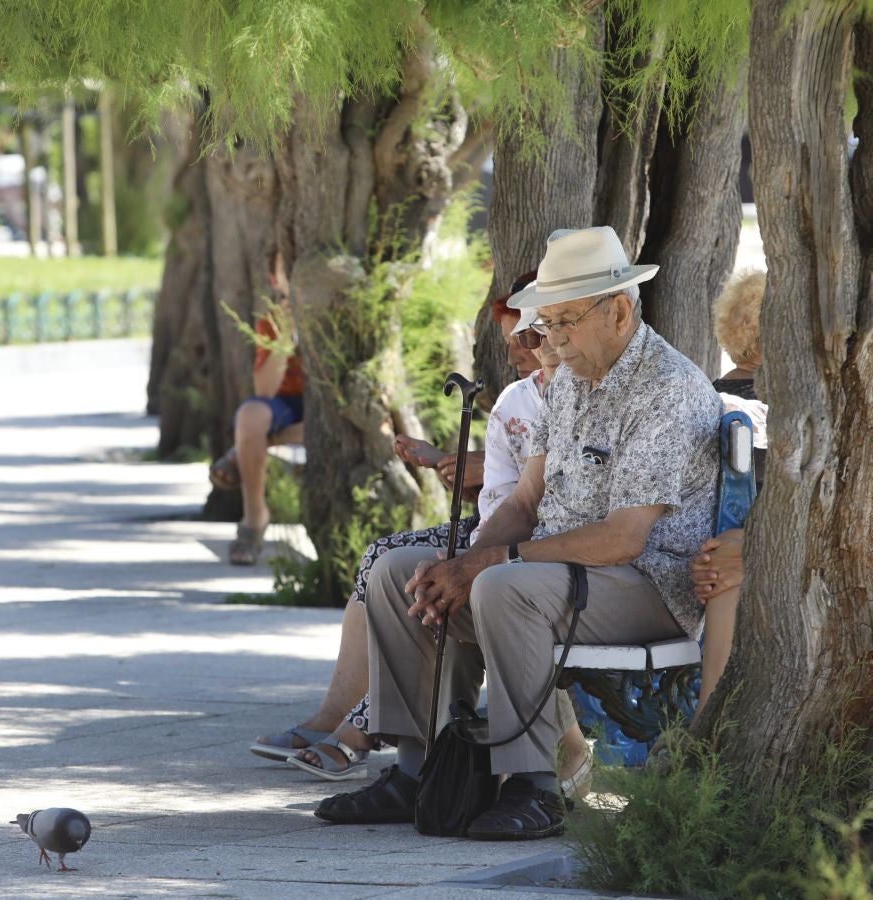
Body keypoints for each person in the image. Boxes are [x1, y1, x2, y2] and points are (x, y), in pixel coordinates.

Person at [319, 226, 722, 839]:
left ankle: (537, 787)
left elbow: (623, 539)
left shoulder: (668, 388)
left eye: (564, 322)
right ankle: (418, 770)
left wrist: (490, 564)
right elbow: (527, 499)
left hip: (646, 583)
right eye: (546, 325)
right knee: (400, 572)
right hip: (558, 572)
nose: (550, 341)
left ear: (617, 309)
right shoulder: (567, 382)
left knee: (501, 588)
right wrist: (462, 559)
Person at [255, 282, 592, 802]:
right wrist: (462, 546)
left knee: (444, 578)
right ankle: (408, 764)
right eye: (522, 339)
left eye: (531, 335)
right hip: (494, 530)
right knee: (393, 568)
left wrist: (473, 548)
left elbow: (546, 501)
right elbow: (515, 496)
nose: (521, 352)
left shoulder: (586, 390)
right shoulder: (522, 397)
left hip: (543, 549)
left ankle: (365, 729)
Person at [690, 269, 768, 710]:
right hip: (734, 559)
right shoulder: (777, 412)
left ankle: (707, 722)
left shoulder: (704, 399)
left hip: (701, 557)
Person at [210, 252, 305, 565]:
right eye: (284, 268)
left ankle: (242, 451)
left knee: (260, 434)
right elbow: (264, 390)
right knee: (251, 416)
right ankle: (254, 517)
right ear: (275, 280)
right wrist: (286, 333)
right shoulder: (271, 321)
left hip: (326, 409)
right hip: (287, 405)